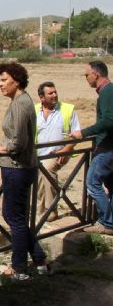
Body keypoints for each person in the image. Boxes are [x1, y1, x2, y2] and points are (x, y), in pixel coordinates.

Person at [0, 62, 50, 280]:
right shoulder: (20, 101)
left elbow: (18, 143)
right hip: (21, 167)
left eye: (4, 80)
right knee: (15, 216)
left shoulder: (20, 104)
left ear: (16, 79)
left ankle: (19, 268)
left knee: (14, 217)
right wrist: (1, 143)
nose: (0, 85)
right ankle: (40, 258)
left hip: (17, 168)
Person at [69, 60, 113, 235]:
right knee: (110, 183)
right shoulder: (107, 91)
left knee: (92, 182)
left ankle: (107, 223)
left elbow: (109, 121)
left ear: (95, 75)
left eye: (86, 75)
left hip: (107, 147)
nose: (86, 78)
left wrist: (84, 132)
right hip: (108, 146)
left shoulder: (107, 92)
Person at [35, 82, 80, 221]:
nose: (55, 95)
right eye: (50, 93)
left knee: (47, 170)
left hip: (59, 152)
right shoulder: (35, 110)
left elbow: (77, 134)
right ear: (41, 97)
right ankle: (41, 210)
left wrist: (66, 150)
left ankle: (50, 210)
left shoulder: (67, 109)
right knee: (40, 179)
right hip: (38, 153)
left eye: (55, 92)